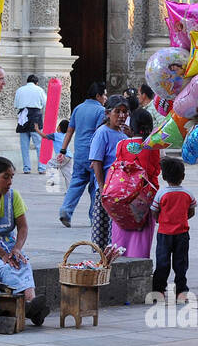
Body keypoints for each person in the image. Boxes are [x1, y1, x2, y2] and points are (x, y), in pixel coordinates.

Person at [0, 157, 49, 326]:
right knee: (4, 267)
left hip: (8, 244)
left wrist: (16, 249)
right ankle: (31, 308)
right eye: (5, 177)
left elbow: (23, 227)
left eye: (12, 177)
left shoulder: (13, 196)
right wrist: (3, 255)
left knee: (22, 262)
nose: (10, 182)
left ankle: (31, 301)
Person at [104, 107, 159, 262]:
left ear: (132, 126)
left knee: (120, 237)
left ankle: (118, 266)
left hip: (123, 197)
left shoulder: (121, 144)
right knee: (141, 241)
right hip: (143, 199)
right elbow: (155, 171)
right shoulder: (153, 147)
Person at [59, 81, 107, 227]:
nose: (105, 98)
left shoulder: (78, 108)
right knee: (95, 186)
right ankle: (94, 217)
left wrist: (63, 149)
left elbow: (69, 131)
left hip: (79, 152)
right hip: (94, 154)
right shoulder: (101, 111)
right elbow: (99, 133)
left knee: (76, 183)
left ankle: (66, 210)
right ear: (98, 96)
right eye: (104, 94)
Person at [87, 95, 130, 251]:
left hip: (121, 190)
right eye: (117, 112)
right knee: (103, 229)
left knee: (117, 230)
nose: (121, 116)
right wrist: (101, 186)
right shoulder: (102, 133)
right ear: (107, 114)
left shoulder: (124, 134)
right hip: (107, 189)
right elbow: (97, 161)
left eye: (125, 112)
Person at [151, 157, 196, 302]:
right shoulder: (188, 193)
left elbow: (154, 211)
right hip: (182, 234)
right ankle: (181, 292)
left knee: (162, 263)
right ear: (183, 176)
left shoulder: (161, 193)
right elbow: (191, 211)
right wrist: (181, 218)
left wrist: (160, 220)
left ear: (163, 177)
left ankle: (158, 291)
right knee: (181, 264)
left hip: (164, 234)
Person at [14, 73, 48, 174]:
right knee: (39, 145)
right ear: (36, 83)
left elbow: (16, 105)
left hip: (22, 117)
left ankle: (26, 168)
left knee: (24, 145)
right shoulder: (39, 90)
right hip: (36, 117)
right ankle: (41, 168)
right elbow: (45, 103)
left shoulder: (20, 90)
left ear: (27, 82)